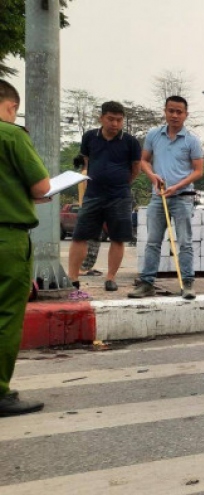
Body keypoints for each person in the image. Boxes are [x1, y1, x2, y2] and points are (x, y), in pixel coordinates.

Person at [0, 80, 50, 416]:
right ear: (11, 106)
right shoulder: (11, 135)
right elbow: (42, 186)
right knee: (6, 314)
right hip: (7, 238)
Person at [130, 96, 203, 299]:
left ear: (186, 115)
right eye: (171, 110)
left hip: (183, 197)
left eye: (179, 112)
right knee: (153, 241)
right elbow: (144, 161)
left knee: (185, 242)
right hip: (158, 197)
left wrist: (177, 186)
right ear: (165, 111)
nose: (175, 115)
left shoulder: (192, 140)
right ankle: (147, 283)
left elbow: (198, 171)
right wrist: (152, 176)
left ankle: (187, 283)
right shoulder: (153, 135)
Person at [67, 101, 141, 293]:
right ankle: (73, 278)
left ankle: (111, 278)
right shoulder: (89, 137)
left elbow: (136, 169)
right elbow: (86, 161)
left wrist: (121, 182)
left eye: (119, 120)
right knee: (80, 236)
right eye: (111, 119)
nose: (115, 124)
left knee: (118, 238)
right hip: (93, 194)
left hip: (119, 196)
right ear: (101, 118)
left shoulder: (131, 142)